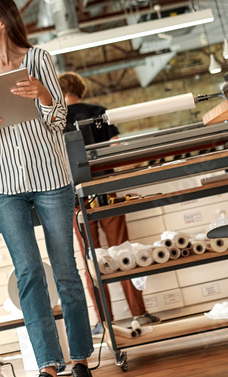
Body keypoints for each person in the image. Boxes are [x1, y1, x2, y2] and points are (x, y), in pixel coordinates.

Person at [0, 0, 93, 377]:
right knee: (28, 272)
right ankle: (47, 364)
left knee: (65, 269)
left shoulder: (38, 59)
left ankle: (80, 358)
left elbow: (57, 121)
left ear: (1, 23)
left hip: (51, 178)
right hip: (6, 185)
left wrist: (42, 95)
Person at [58, 71, 159, 334]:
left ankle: (104, 323)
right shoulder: (98, 111)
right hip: (107, 190)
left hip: (77, 197)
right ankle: (140, 314)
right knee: (123, 252)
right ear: (81, 89)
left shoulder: (56, 119)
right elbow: (116, 147)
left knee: (91, 259)